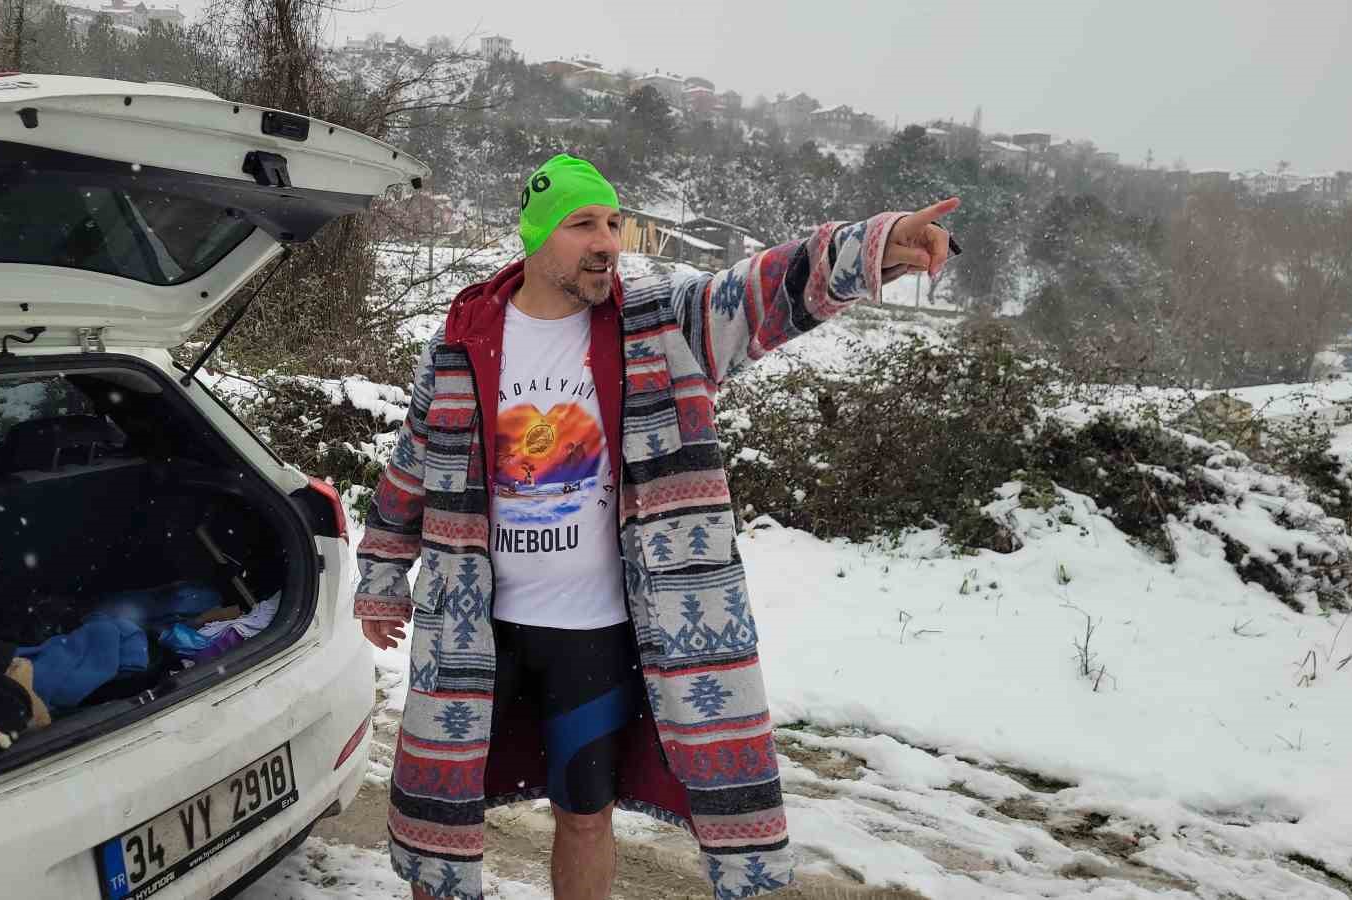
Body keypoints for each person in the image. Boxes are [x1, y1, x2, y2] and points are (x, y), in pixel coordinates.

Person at [354, 153, 957, 900]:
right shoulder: (461, 342)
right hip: (473, 630)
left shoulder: (662, 323)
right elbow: (412, 467)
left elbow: (765, 289)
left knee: (585, 816)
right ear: (535, 236)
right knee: (441, 821)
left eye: (613, 222)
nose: (606, 241)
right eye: (582, 224)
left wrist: (874, 246)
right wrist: (381, 576)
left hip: (594, 633)